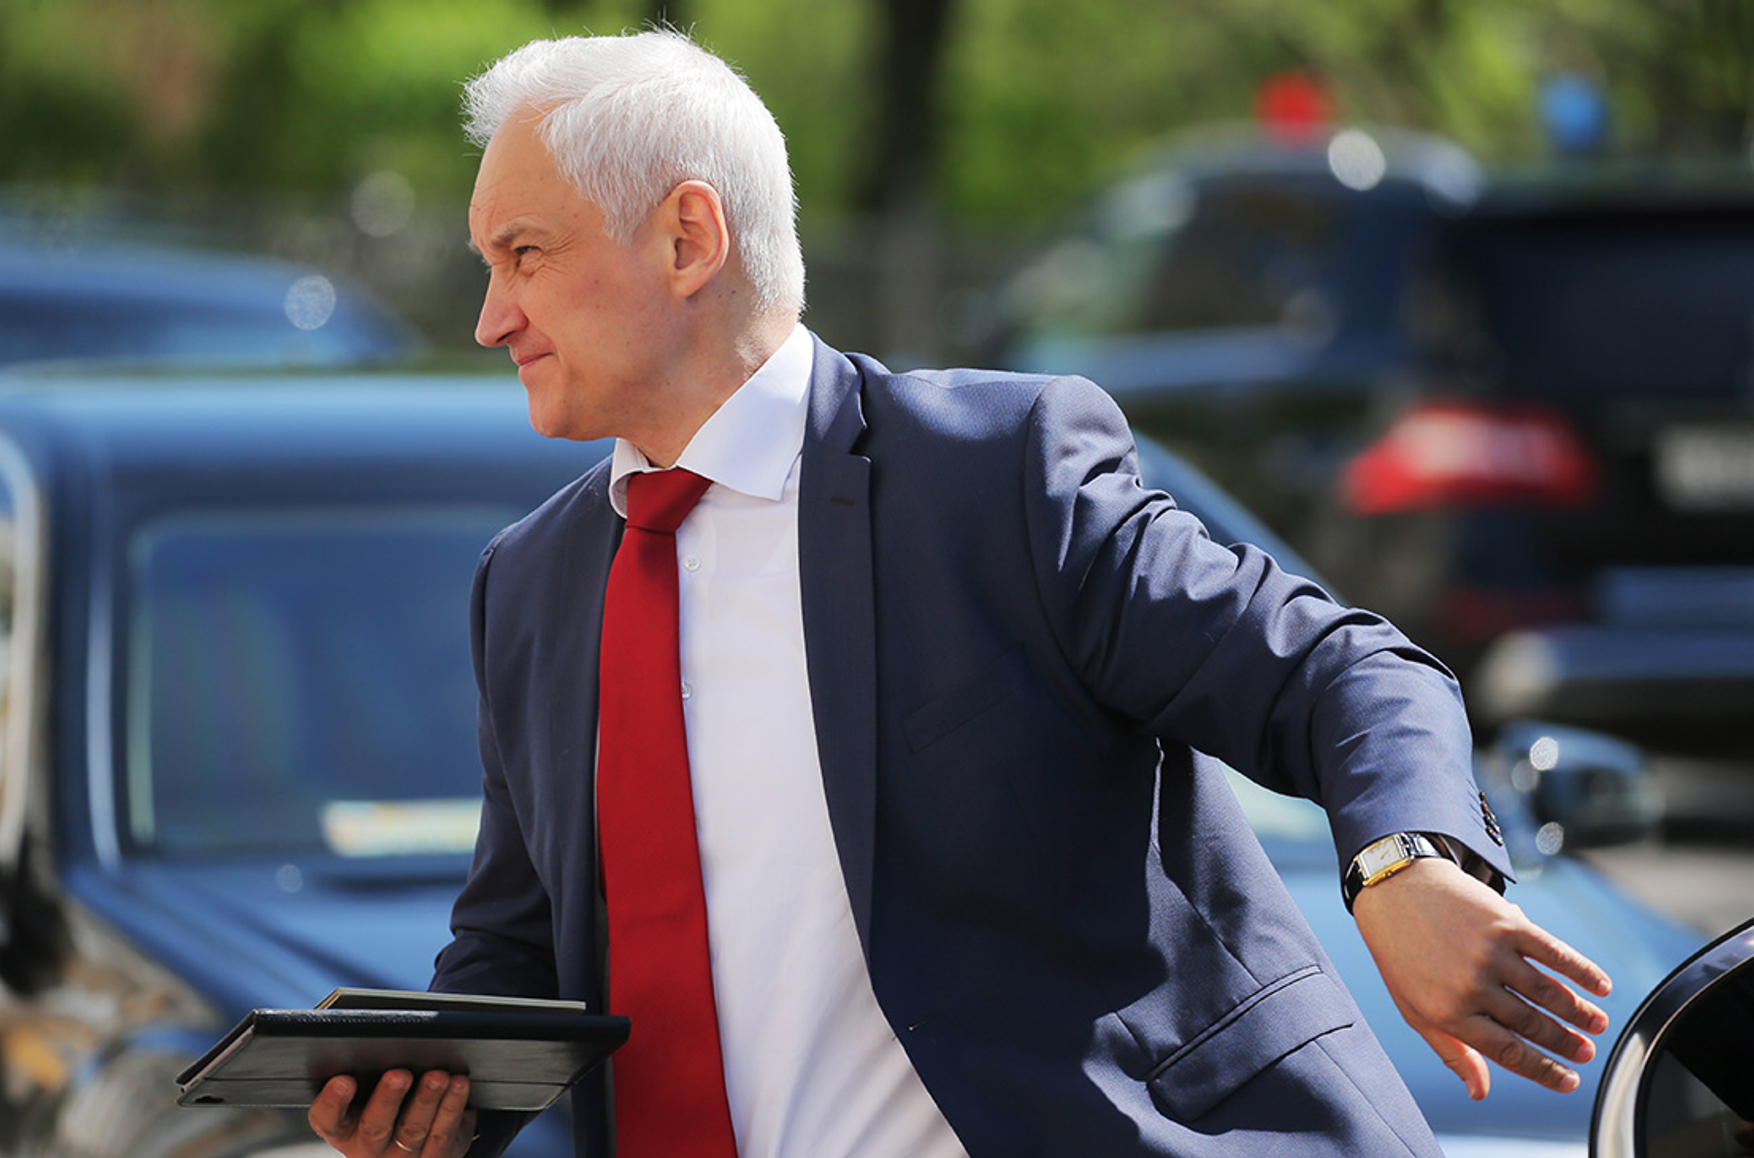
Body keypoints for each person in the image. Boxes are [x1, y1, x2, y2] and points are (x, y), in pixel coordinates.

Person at [308, 28, 1613, 1158]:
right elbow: (518, 949)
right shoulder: (530, 583)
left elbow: (1340, 670)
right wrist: (430, 1101)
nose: (491, 316)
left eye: (524, 254)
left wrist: (1400, 864)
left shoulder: (998, 480)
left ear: (688, 238)